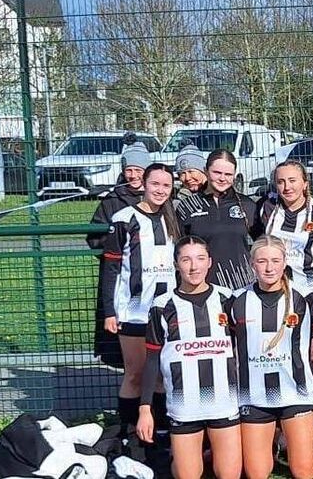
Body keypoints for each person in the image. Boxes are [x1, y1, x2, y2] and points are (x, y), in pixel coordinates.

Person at [137, 236, 241, 479]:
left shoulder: (228, 299)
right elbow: (151, 360)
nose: (194, 267)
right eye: (186, 260)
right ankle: (181, 456)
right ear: (176, 264)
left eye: (200, 259)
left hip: (223, 403)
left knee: (229, 474)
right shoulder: (162, 306)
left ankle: (206, 454)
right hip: (184, 407)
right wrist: (145, 409)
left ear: (210, 262)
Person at [99, 163, 180, 443]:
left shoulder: (173, 218)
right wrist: (109, 311)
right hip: (133, 312)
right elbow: (110, 269)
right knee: (135, 373)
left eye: (166, 185)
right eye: (155, 184)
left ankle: (160, 431)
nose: (160, 190)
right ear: (144, 184)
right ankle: (129, 432)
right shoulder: (124, 218)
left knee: (161, 374)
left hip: (165, 311)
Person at [230, 236, 313, 479]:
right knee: (256, 473)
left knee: (303, 472)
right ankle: (273, 444)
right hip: (254, 395)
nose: (269, 268)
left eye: (275, 260)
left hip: (296, 393)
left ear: (284, 262)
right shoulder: (236, 300)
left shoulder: (304, 298)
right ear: (252, 264)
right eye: (262, 261)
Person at [88, 134, 149, 370]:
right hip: (122, 276)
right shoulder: (112, 200)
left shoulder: (159, 195)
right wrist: (119, 249)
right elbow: (95, 236)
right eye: (129, 170)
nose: (133, 175)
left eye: (138, 170)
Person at [176, 149, 258, 290]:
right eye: (217, 173)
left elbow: (262, 243)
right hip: (204, 288)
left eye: (228, 174)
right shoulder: (187, 207)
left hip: (243, 286)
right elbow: (179, 250)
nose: (222, 178)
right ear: (206, 171)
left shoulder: (246, 204)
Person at [252, 160, 313, 291]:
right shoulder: (266, 206)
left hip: (311, 286)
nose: (287, 187)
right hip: (274, 284)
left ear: (305, 184)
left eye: (292, 180)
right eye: (281, 182)